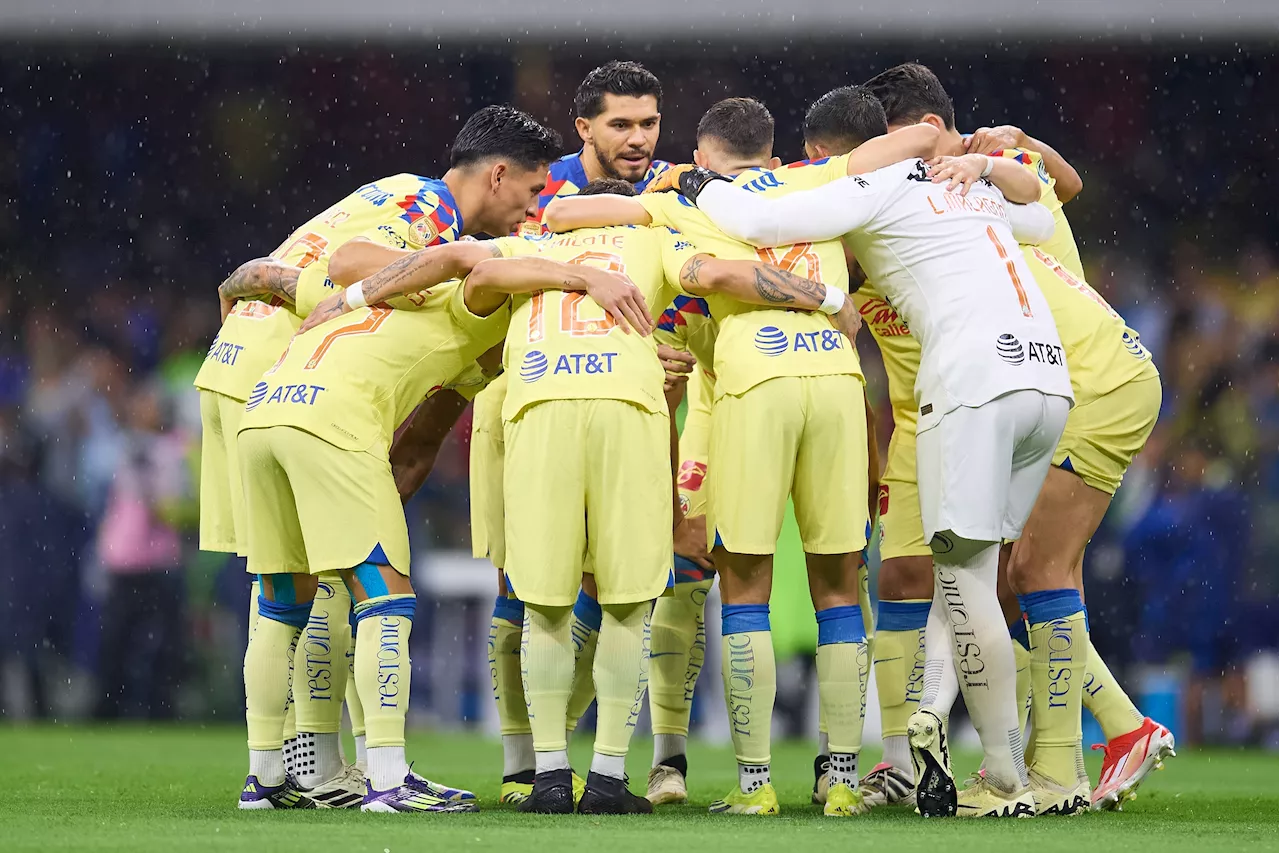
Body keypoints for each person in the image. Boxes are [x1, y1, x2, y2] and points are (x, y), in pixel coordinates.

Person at [339, 176, 866, 814]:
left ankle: (549, 774)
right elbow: (720, 275)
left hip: (538, 404)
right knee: (626, 603)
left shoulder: (529, 243)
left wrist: (351, 297)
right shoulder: (656, 237)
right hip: (626, 406)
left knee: (543, 605)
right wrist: (828, 297)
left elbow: (468, 279)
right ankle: (612, 777)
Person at [670, 99, 1076, 817]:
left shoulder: (879, 186)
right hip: (1047, 379)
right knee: (983, 573)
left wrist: (699, 184)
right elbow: (1044, 212)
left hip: (974, 381)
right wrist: (985, 164)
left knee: (963, 576)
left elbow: (762, 223)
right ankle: (962, 737)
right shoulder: (968, 190)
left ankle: (1006, 776)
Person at [545, 99, 936, 817]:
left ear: (701, 150)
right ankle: (842, 778)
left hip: (752, 380)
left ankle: (754, 785)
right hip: (838, 381)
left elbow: (562, 219)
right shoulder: (816, 180)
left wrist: (654, 192)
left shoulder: (685, 199)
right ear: (775, 148)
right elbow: (917, 141)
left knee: (745, 586)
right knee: (841, 588)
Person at [858, 63, 1173, 813]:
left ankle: (1066, 762)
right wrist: (1019, 141)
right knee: (1016, 578)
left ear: (915, 134)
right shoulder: (1007, 165)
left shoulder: (956, 187)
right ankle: (1075, 747)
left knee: (1032, 571)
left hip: (1076, 372)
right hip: (1077, 366)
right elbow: (1068, 184)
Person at [229, 107, 563, 813]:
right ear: (498, 174)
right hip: (331, 418)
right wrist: (585, 280)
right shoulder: (459, 268)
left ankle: (265, 776)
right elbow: (424, 264)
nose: (531, 211)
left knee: (281, 596)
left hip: (265, 405)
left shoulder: (386, 282)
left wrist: (268, 286)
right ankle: (387, 778)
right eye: (531, 194)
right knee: (386, 595)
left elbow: (281, 276)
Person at [94, 383, 194, 720]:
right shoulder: (123, 446)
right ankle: (109, 707)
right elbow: (111, 502)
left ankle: (157, 707)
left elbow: (178, 506)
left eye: (149, 405)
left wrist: (161, 505)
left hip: (158, 558)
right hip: (124, 556)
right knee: (115, 639)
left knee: (162, 641)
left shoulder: (173, 450)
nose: (143, 411)